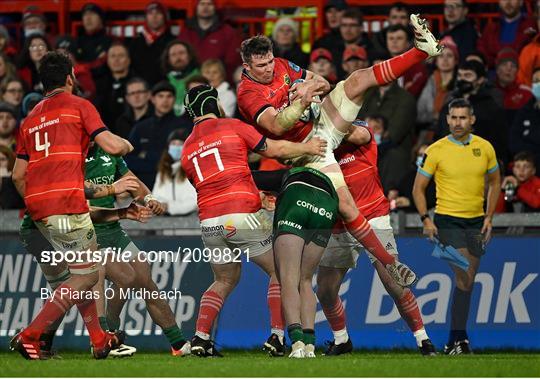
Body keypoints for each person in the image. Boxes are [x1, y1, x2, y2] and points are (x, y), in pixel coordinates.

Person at [237, 13, 442, 287]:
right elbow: (275, 126)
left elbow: (324, 83)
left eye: (271, 61)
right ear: (246, 66)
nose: (269, 69)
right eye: (261, 65)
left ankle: (422, 50)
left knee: (357, 79)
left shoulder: (283, 66)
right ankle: (390, 264)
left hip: (321, 121)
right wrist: (300, 103)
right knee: (346, 205)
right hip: (305, 148)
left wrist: (310, 85)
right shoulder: (247, 94)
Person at [181, 85, 327, 357]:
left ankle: (200, 337)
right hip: (242, 215)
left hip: (209, 221)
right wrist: (307, 147)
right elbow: (273, 150)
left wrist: (254, 192)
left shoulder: (187, 147)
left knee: (223, 279)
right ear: (213, 104)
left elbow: (209, 182)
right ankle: (277, 334)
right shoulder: (232, 125)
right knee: (281, 271)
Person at [10, 51, 133, 360]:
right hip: (66, 202)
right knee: (89, 276)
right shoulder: (80, 106)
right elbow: (112, 146)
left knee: (75, 276)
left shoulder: (29, 120)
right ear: (69, 78)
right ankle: (31, 334)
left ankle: (98, 339)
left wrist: (39, 201)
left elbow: (17, 176)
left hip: (37, 209)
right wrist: (126, 145)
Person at [317, 121, 436, 357]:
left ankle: (423, 340)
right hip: (340, 223)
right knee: (325, 290)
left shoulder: (358, 128)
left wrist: (329, 125)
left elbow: (359, 135)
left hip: (373, 217)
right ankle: (342, 340)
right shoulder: (320, 148)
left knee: (393, 282)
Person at [412, 98, 501, 355]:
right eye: (453, 117)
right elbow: (418, 188)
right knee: (464, 274)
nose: (457, 122)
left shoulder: (485, 148)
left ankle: (456, 340)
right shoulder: (436, 150)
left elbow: (496, 182)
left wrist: (489, 217)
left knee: (467, 282)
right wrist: (425, 219)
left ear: (472, 120)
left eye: (463, 117)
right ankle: (458, 339)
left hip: (475, 221)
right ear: (447, 119)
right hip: (446, 221)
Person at [257, 166, 339, 358]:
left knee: (288, 280)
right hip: (327, 204)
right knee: (306, 280)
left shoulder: (287, 172)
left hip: (297, 197)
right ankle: (310, 346)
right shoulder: (332, 172)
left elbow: (243, 177)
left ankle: (297, 343)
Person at [127, 81, 191, 189]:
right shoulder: (141, 127)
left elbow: (185, 158)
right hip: (145, 186)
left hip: (176, 184)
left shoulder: (184, 126)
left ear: (174, 99)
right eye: (160, 96)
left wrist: (146, 155)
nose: (165, 101)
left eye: (169, 96)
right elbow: (128, 159)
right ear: (152, 99)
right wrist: (158, 163)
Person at [178, 0, 242, 81]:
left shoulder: (227, 32)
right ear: (196, 7)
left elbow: (232, 60)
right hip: (191, 80)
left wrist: (222, 78)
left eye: (209, 4)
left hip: (218, 81)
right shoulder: (186, 31)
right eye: (202, 4)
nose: (205, 7)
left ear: (215, 7)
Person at [313, 8, 374, 80]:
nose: (348, 29)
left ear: (361, 28)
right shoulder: (332, 48)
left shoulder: (372, 48)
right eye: (344, 25)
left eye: (352, 25)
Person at [477, 0, 536, 69]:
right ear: (499, 3)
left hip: (522, 70)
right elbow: (482, 49)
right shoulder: (491, 27)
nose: (508, 2)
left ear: (521, 2)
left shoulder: (530, 25)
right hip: (493, 71)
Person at [152, 129, 198, 215]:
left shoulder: (193, 169)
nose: (176, 147)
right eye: (173, 144)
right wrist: (161, 205)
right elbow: (156, 197)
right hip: (165, 224)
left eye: (180, 144)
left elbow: (195, 201)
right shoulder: (162, 171)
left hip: (190, 223)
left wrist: (169, 207)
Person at [129, 1, 175, 86]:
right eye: (150, 13)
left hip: (163, 88)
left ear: (164, 17)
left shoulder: (172, 41)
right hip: (139, 88)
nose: (154, 17)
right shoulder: (135, 41)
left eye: (158, 13)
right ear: (146, 17)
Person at [417, 36, 458, 129]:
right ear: (436, 61)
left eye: (450, 56)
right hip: (428, 132)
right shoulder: (430, 82)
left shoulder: (459, 83)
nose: (445, 59)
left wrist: (438, 116)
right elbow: (419, 115)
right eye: (441, 56)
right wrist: (435, 116)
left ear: (456, 61)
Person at [94, 41, 135, 127]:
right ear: (108, 61)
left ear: (128, 60)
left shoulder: (136, 84)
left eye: (121, 56)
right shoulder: (99, 84)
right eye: (113, 56)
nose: (116, 60)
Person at [386, 24, 429, 97]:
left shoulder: (417, 67)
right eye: (391, 38)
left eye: (399, 38)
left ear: (407, 43)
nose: (394, 42)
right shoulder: (382, 65)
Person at [510, 67, 540, 168]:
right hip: (526, 167)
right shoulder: (524, 111)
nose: (538, 84)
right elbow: (513, 143)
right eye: (536, 81)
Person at [161, 40, 200, 116]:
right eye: (173, 54)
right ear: (168, 59)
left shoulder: (201, 76)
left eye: (181, 53)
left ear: (189, 55)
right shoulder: (163, 80)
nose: (178, 57)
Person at [76, 3, 111, 75]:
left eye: (92, 14)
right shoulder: (77, 41)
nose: (88, 18)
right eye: (85, 15)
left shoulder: (109, 41)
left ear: (101, 19)